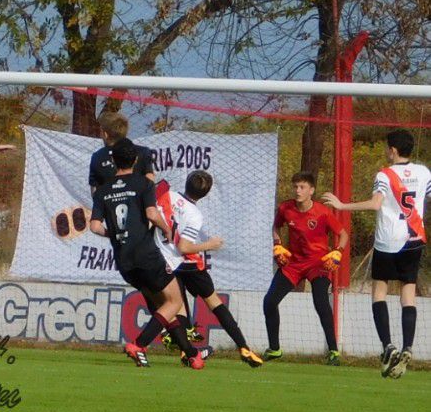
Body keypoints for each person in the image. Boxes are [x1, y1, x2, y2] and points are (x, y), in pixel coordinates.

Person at [89, 138, 209, 369]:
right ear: (135, 159)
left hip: (124, 261)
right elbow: (152, 214)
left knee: (164, 306)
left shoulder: (102, 191)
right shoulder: (143, 184)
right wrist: (167, 230)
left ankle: (191, 354)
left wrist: (115, 234)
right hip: (146, 255)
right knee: (174, 301)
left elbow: (94, 226)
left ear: (113, 161)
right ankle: (139, 344)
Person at [323, 129, 430, 378]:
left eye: (386, 147)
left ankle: (388, 345)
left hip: (388, 242)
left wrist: (342, 205)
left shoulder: (385, 174)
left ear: (393, 150)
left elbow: (375, 204)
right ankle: (408, 347)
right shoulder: (424, 172)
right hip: (414, 239)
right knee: (408, 294)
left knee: (379, 292)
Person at [154, 171, 263, 367]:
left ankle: (186, 352)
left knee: (177, 305)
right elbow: (184, 247)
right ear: (206, 193)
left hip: (165, 261)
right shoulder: (195, 215)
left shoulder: (168, 196)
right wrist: (209, 245)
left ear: (187, 182)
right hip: (187, 262)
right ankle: (243, 347)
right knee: (214, 303)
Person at [265, 172, 347, 365]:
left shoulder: (323, 212)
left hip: (318, 263)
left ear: (311, 190)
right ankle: (275, 349)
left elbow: (343, 234)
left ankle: (333, 351)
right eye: (295, 187)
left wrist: (338, 252)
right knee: (269, 302)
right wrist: (277, 243)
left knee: (320, 301)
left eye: (302, 187)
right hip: (293, 263)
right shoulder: (286, 208)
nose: (297, 191)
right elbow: (276, 227)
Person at [88, 112, 154, 197]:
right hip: (139, 206)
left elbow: (95, 191)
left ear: (105, 134)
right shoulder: (143, 151)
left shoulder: (97, 157)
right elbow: (150, 180)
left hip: (109, 208)